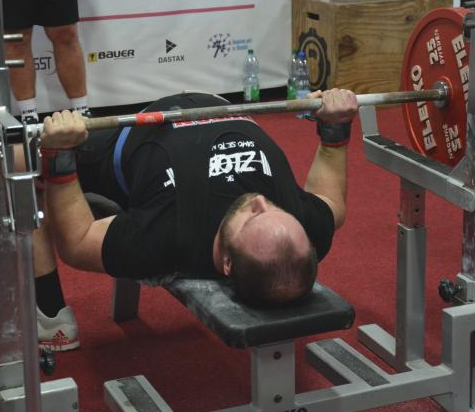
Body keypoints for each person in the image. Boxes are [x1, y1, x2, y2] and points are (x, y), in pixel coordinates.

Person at [29, 89, 357, 347]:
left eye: (253, 218)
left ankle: (51, 318)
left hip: (133, 131)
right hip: (219, 103)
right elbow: (331, 204)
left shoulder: (168, 237)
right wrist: (335, 127)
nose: (260, 201)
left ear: (227, 262)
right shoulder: (302, 232)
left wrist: (61, 156)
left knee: (21, 159)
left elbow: (77, 242)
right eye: (277, 209)